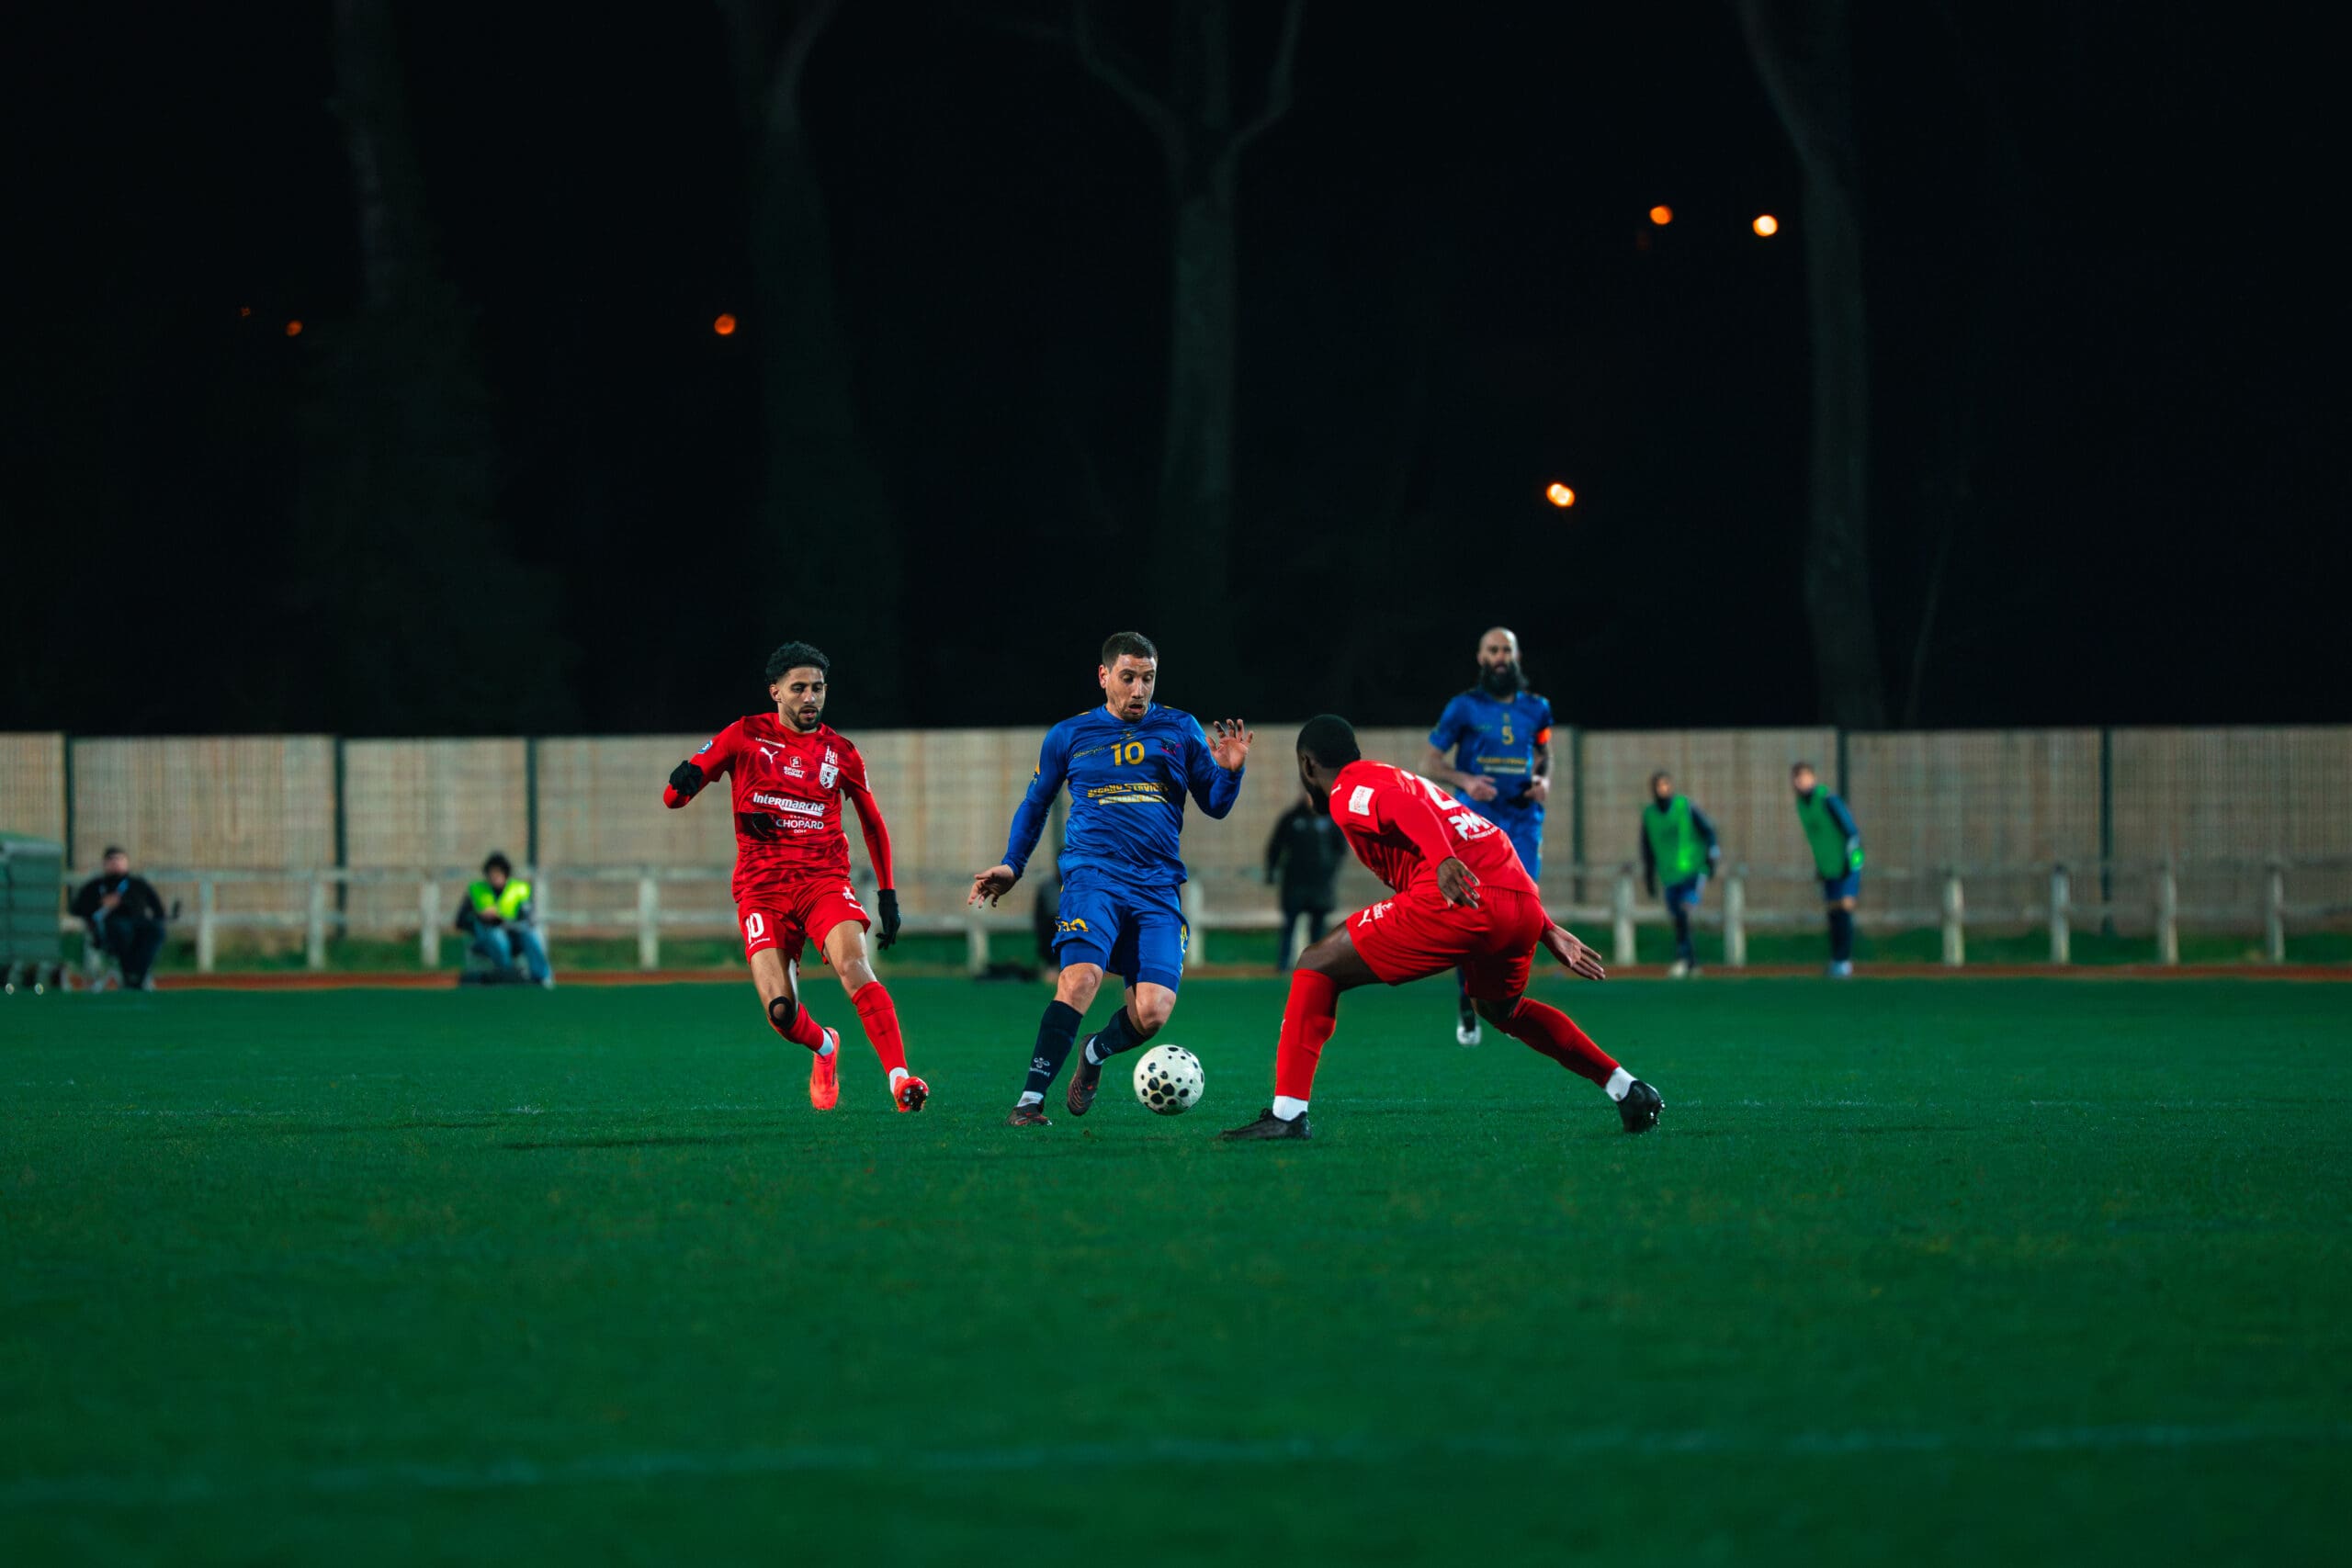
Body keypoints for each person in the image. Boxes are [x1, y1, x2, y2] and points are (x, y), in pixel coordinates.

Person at [1223, 716, 1659, 1141]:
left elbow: (1406, 810)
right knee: (1501, 1010)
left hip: (1456, 897)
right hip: (1519, 898)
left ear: (1307, 765)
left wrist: (1442, 860)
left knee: (1316, 963)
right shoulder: (1396, 776)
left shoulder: (1347, 789)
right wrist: (1543, 925)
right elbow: (1482, 836)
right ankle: (1627, 1088)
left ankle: (1288, 1116)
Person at [970, 631, 1251, 1126]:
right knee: (1080, 978)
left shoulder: (1180, 728)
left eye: (1148, 678)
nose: (1139, 689)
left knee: (1153, 1013)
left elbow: (1215, 804)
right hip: (1092, 877)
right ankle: (1029, 1102)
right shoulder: (1069, 735)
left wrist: (1229, 772)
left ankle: (1094, 1052)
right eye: (1128, 677)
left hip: (1157, 886)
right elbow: (1036, 803)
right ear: (1104, 677)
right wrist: (1013, 864)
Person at [662, 640, 927, 1112]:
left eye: (818, 688)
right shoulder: (743, 735)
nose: (811, 697)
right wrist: (680, 783)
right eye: (799, 688)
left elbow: (872, 823)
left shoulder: (841, 752)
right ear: (776, 692)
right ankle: (825, 1046)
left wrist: (888, 894)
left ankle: (900, 1079)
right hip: (761, 889)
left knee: (854, 966)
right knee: (781, 1012)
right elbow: (674, 798)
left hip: (823, 880)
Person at [1420, 626, 1554, 1047]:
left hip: (1523, 821)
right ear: (1481, 658)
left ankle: (1506, 1005)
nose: (1500, 657)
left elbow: (1545, 753)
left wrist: (1543, 781)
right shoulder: (1463, 707)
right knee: (1472, 913)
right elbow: (1432, 761)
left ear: (1516, 657)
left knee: (1522, 913)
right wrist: (1466, 781)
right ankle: (1468, 999)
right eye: (1493, 650)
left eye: (1506, 651)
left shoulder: (1538, 708)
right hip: (1477, 822)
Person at [1641, 772, 1721, 978]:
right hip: (1669, 875)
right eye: (1659, 786)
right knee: (1678, 917)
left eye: (1666, 785)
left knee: (1685, 910)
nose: (1663, 790)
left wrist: (1713, 855)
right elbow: (1647, 848)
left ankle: (1682, 958)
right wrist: (1649, 877)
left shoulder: (1684, 806)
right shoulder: (1649, 815)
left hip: (1693, 869)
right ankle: (1692, 963)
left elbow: (1708, 830)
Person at [1792, 761, 1864, 977]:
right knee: (1833, 910)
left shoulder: (1827, 799)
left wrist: (1849, 862)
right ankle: (1836, 959)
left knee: (1844, 906)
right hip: (1828, 866)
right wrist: (1821, 865)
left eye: (1803, 777)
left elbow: (1851, 831)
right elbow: (1820, 840)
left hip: (1847, 862)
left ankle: (1844, 961)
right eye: (1795, 778)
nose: (1798, 782)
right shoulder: (1802, 805)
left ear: (1812, 778)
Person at [1264, 784, 1344, 971]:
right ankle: (1283, 965)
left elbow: (1340, 848)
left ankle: (1315, 965)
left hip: (1320, 884)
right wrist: (1271, 871)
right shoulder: (1291, 818)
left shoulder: (1330, 819)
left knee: (1318, 928)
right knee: (1289, 925)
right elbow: (1275, 846)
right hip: (1294, 883)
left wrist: (1330, 868)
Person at [69, 846, 167, 990]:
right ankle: (130, 973)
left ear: (126, 862)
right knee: (121, 929)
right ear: (104, 864)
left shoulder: (138, 885)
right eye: (111, 860)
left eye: (119, 859)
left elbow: (158, 910)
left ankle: (137, 973)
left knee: (156, 931)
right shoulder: (95, 886)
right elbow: (77, 909)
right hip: (109, 928)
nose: (115, 863)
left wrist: (125, 903)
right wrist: (101, 904)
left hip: (138, 925)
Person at [458, 852, 552, 987]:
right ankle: (506, 974)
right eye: (491, 874)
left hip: (515, 937)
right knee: (497, 936)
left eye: (498, 873)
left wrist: (505, 920)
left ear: (506, 874)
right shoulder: (477, 890)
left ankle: (542, 977)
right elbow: (460, 920)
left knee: (531, 934)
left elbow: (529, 917)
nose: (494, 877)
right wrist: (480, 916)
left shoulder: (520, 889)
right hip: (486, 939)